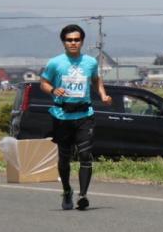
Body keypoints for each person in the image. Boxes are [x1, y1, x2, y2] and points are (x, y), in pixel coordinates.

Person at [41, 27, 111, 210]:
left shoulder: (90, 62)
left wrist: (103, 95)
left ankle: (83, 195)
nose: (73, 43)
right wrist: (53, 89)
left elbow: (96, 80)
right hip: (62, 116)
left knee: (85, 155)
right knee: (64, 158)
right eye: (69, 40)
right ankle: (66, 190)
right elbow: (44, 83)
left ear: (82, 41)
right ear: (63, 42)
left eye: (77, 39)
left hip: (84, 115)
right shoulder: (55, 63)